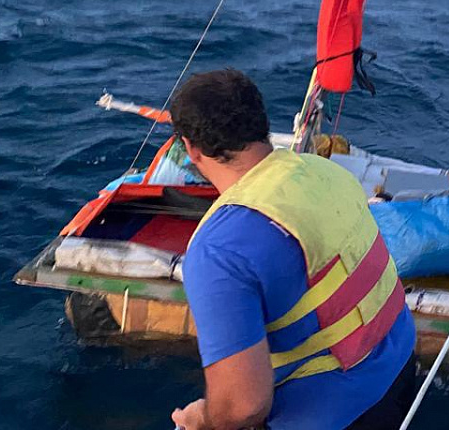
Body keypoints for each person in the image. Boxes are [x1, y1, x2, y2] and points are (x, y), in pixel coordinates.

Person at [168, 69, 416, 430]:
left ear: (191, 148)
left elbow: (244, 406)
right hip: (400, 373)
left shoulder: (217, 250)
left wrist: (202, 417)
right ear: (261, 124)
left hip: (335, 417)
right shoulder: (325, 172)